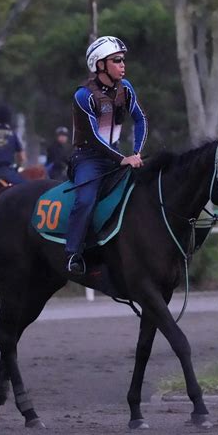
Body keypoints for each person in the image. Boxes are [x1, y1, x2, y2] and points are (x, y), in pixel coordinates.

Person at [65, 35, 148, 274]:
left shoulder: (127, 88)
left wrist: (136, 153)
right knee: (86, 199)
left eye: (123, 60)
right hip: (88, 158)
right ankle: (73, 254)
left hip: (119, 154)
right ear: (100, 64)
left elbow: (140, 119)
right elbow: (93, 137)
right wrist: (122, 159)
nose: (123, 65)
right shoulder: (83, 96)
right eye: (117, 60)